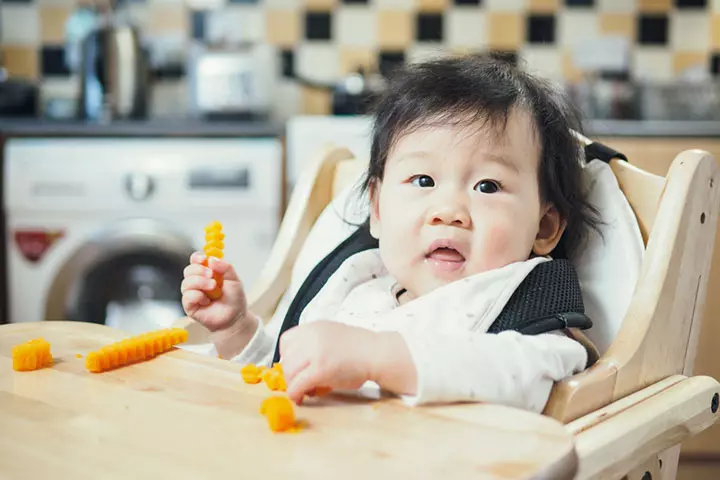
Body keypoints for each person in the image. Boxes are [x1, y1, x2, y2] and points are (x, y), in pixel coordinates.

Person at [180, 54, 601, 412]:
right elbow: (280, 375)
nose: (448, 211)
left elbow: (518, 377)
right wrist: (236, 331)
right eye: (423, 180)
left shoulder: (532, 314)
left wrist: (377, 357)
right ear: (377, 210)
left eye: (487, 186)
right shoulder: (360, 284)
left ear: (543, 228)